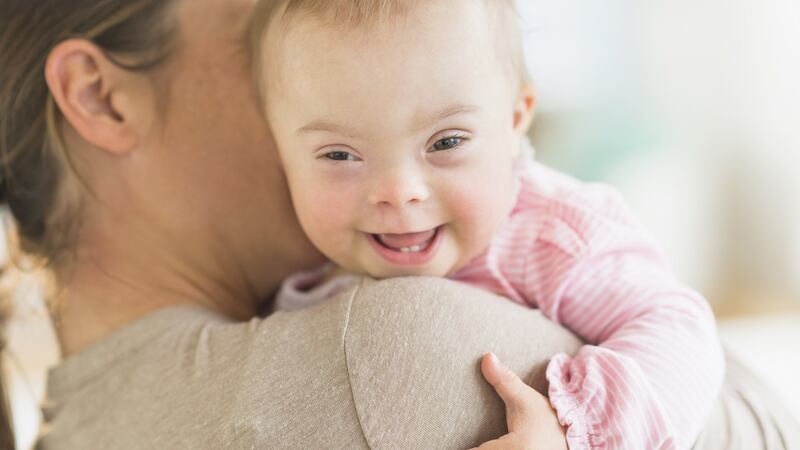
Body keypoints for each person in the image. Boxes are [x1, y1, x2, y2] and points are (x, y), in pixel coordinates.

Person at [1, 0, 798, 449]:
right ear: (102, 97)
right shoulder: (382, 353)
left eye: (444, 138)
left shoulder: (74, 422)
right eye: (268, 33)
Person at [252, 1, 724, 448]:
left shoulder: (553, 237)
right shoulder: (299, 260)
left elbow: (677, 328)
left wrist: (577, 432)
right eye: (339, 154)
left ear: (516, 118)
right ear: (279, 151)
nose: (398, 191)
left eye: (446, 142)